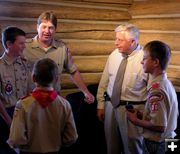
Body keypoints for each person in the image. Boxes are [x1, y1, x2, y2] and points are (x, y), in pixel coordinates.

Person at [96, 23, 149, 154]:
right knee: (111, 146)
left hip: (133, 110)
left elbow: (152, 90)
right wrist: (101, 105)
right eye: (116, 39)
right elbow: (104, 81)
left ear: (132, 42)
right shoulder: (114, 55)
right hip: (110, 107)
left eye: (120, 40)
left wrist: (147, 114)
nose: (116, 43)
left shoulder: (145, 59)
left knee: (132, 147)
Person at [8, 58, 78, 153]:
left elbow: (16, 139)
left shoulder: (23, 104)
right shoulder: (64, 104)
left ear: (33, 78)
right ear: (56, 79)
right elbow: (71, 137)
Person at [24, 11, 94, 104]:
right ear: (37, 27)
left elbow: (73, 71)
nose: (47, 31)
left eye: (51, 28)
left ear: (55, 29)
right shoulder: (24, 47)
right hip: (30, 101)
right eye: (44, 27)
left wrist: (86, 92)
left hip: (53, 101)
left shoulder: (62, 49)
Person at [127, 40, 179, 154]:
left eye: (145, 58)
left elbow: (159, 126)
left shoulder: (157, 89)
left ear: (155, 62)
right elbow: (163, 116)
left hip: (157, 144)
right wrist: (142, 115)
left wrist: (135, 120)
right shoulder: (166, 83)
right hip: (170, 139)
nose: (141, 62)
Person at [0, 26, 33, 154]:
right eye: (21, 43)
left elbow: (30, 90)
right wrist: (10, 122)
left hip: (24, 113)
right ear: (9, 44)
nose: (24, 46)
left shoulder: (24, 63)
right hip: (6, 116)